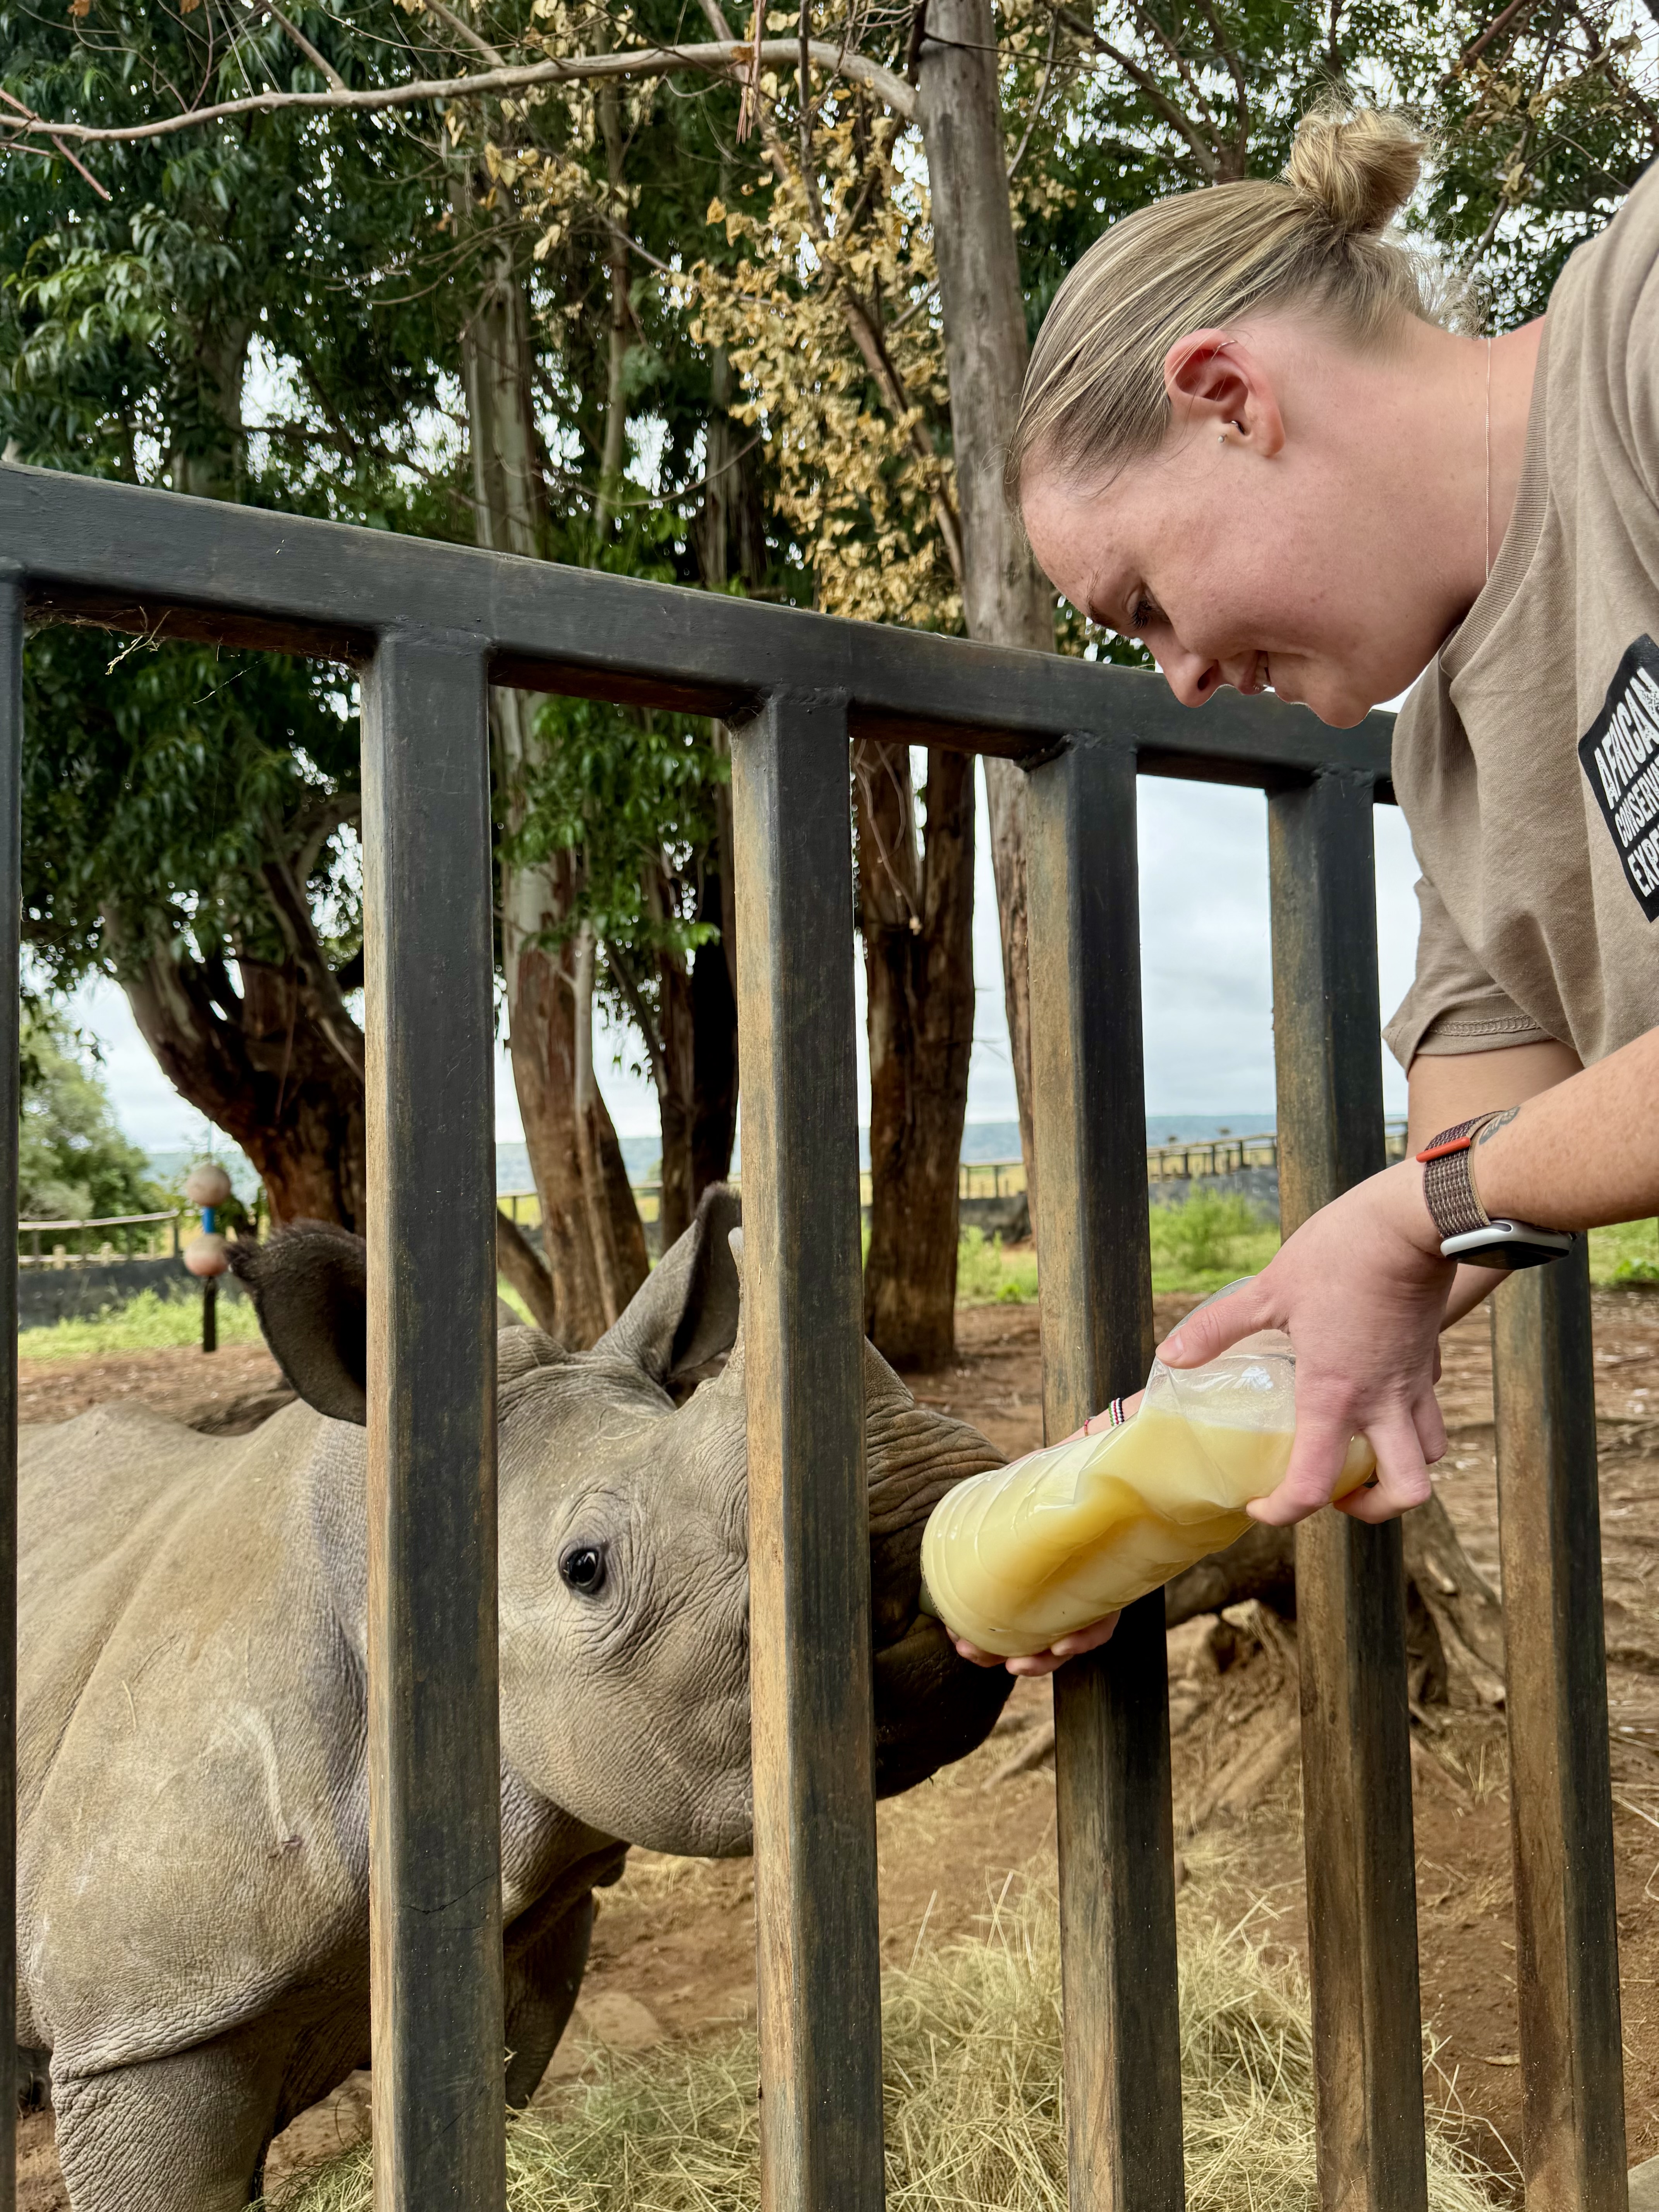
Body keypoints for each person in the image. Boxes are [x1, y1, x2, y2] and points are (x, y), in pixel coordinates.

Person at [958, 103, 1659, 1678]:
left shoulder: (1642, 342)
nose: (1184, 679)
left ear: (1228, 399)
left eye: (1140, 604)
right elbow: (1481, 1179)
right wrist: (1142, 1477)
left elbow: (1449, 1198)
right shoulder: (1460, 776)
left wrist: (1427, 1209)